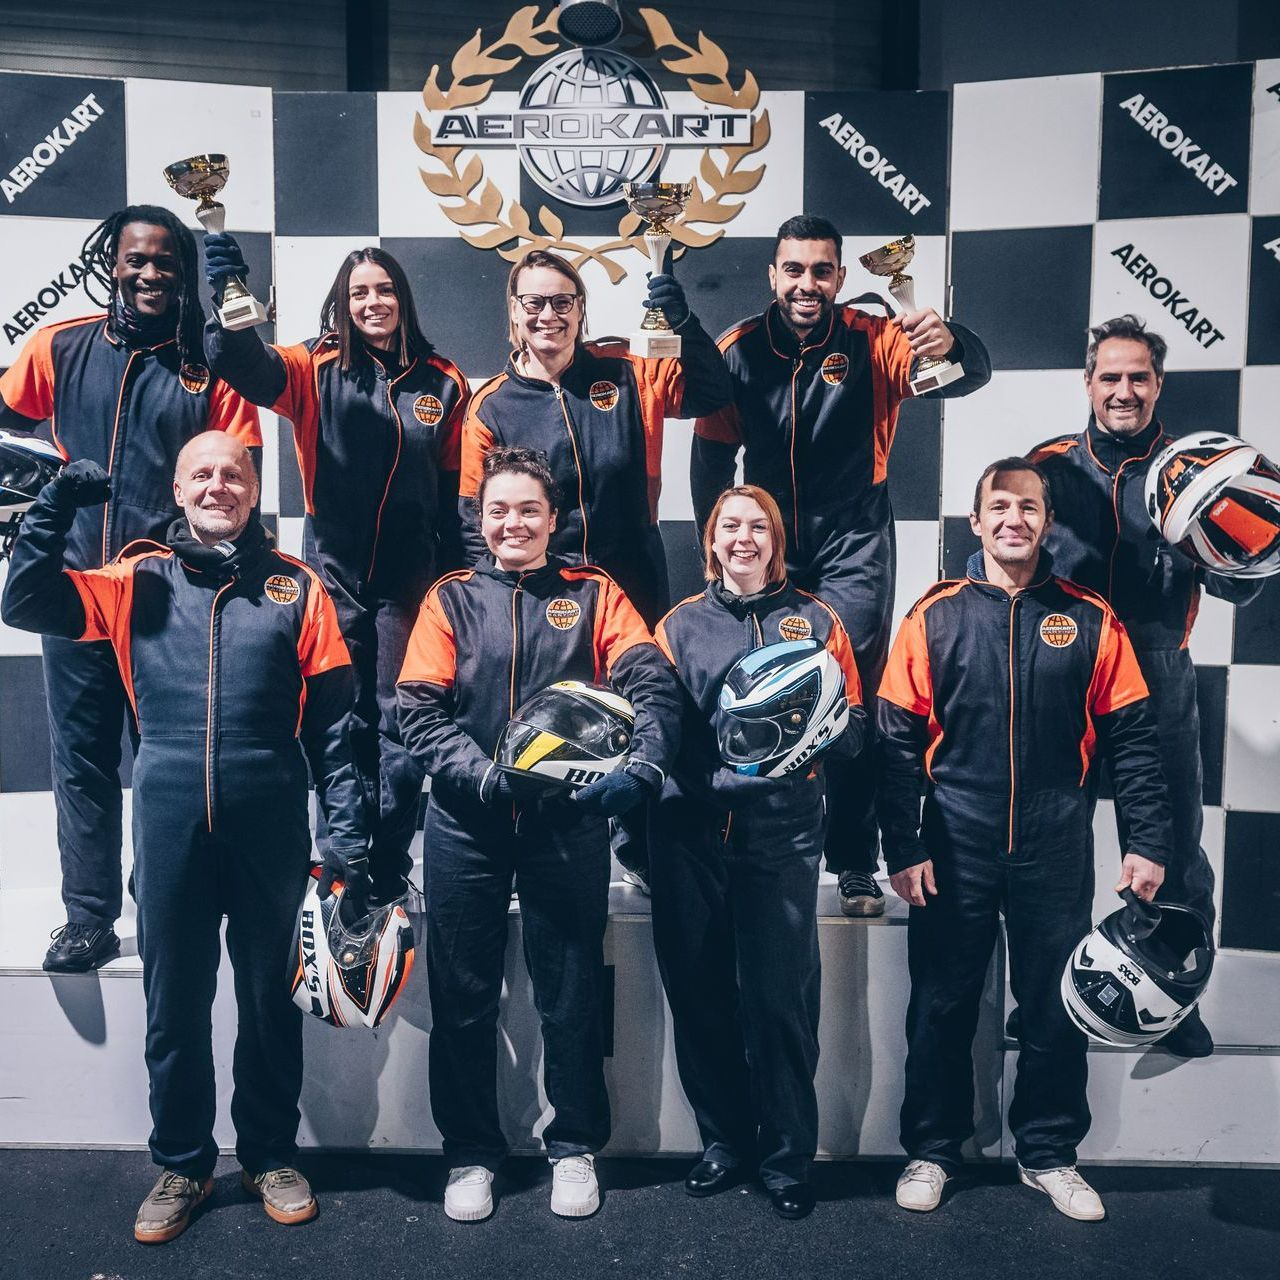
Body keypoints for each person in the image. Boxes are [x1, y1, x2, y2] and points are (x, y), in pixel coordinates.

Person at [2, 431, 368, 1243]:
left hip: (271, 823)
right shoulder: (134, 578)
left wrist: (346, 837)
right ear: (177, 490)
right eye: (201, 474)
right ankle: (182, 1165)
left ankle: (269, 1155)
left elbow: (337, 732)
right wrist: (53, 507)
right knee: (174, 1008)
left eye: (233, 474)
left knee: (269, 1004)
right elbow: (24, 603)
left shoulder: (296, 587)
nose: (217, 486)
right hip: (169, 818)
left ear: (253, 490)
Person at [877, 458, 1171, 1222]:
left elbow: (1135, 740)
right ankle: (932, 1150)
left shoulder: (1091, 617)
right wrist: (902, 846)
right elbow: (895, 740)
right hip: (954, 838)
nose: (1014, 519)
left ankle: (1048, 1154)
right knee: (941, 1005)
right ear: (975, 522)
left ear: (1047, 523)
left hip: (1056, 837)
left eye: (1029, 507)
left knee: (1054, 1007)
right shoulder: (933, 615)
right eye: (1000, 506)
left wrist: (1146, 840)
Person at [397, 446, 680, 1223]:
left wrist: (645, 768)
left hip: (566, 825)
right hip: (467, 824)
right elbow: (417, 712)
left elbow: (652, 684)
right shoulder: (452, 597)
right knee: (463, 998)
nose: (513, 523)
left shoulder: (594, 593)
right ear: (480, 520)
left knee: (572, 992)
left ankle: (575, 1145)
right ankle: (470, 1154)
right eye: (499, 510)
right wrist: (486, 779)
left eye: (529, 510)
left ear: (555, 519)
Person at [691, 215, 992, 919]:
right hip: (770, 544)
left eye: (821, 271)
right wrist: (717, 545)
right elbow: (711, 455)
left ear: (840, 278)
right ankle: (744, 841)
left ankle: (855, 859)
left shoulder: (875, 338)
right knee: (754, 683)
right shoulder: (738, 348)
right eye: (794, 270)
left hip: (855, 543)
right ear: (773, 275)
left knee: (848, 695)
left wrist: (950, 340)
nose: (807, 284)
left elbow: (967, 376)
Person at [0, 206, 260, 973]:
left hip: (167, 604)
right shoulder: (59, 345)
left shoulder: (210, 365)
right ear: (111, 261)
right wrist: (31, 498)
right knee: (80, 760)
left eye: (164, 262)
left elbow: (235, 481)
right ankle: (88, 917)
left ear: (184, 271)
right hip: (75, 592)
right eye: (135, 259)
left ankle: (165, 898)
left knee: (166, 762)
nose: (149, 273)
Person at [202, 237, 470, 901]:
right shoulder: (312, 365)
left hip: (411, 579)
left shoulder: (444, 380)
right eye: (359, 293)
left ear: (403, 299)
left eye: (385, 290)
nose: (373, 302)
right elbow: (241, 364)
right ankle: (342, 862)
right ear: (342, 304)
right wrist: (228, 295)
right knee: (340, 721)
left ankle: (390, 865)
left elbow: (452, 496)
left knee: (404, 722)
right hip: (334, 571)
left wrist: (461, 585)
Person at [1027, 314, 1264, 1058]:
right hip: (1064, 669)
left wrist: (1248, 543)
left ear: (1159, 384)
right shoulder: (1048, 467)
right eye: (1111, 377)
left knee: (1174, 850)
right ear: (1088, 383)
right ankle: (1047, 1004)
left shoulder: (1199, 470)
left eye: (1138, 377)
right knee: (1053, 849)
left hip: (1158, 670)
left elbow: (1240, 585)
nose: (1123, 390)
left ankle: (1173, 1001)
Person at [650, 484, 864, 1221]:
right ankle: (724, 1143)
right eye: (730, 526)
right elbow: (659, 732)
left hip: (782, 836)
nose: (744, 538)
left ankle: (787, 1157)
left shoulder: (818, 620)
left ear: (776, 541)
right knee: (700, 996)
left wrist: (820, 727)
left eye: (758, 527)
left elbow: (855, 730)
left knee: (779, 1004)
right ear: (711, 541)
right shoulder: (678, 626)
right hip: (689, 834)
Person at [458, 248, 733, 628]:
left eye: (562, 302)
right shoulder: (491, 406)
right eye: (534, 303)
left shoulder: (629, 371)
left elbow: (713, 394)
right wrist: (493, 604)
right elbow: (473, 522)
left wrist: (684, 323)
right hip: (542, 589)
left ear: (580, 308)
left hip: (635, 575)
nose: (548, 316)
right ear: (515, 310)